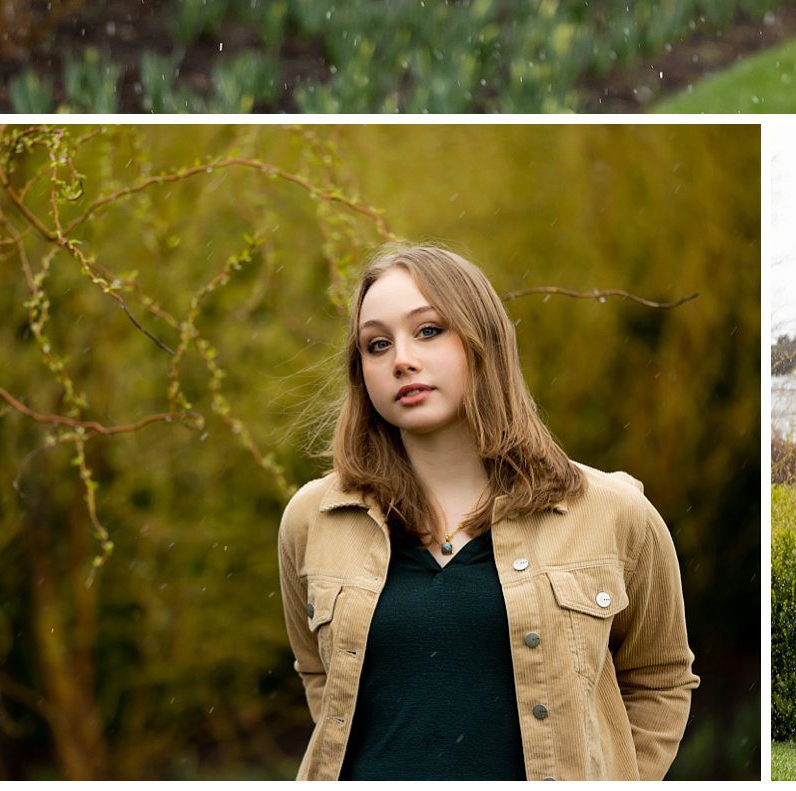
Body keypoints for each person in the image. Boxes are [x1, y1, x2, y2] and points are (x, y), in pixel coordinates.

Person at [277, 242, 698, 781]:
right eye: (377, 344)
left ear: (485, 342)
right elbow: (319, 674)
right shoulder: (314, 518)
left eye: (429, 330)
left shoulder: (611, 513)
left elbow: (660, 678)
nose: (401, 359)